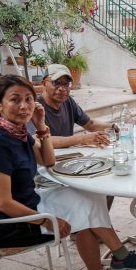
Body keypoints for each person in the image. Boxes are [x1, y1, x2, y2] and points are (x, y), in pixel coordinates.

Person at [0, 75, 136, 270]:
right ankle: (118, 260)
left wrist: (41, 126)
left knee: (88, 196)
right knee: (84, 209)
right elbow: (2, 203)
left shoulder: (17, 131)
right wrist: (46, 220)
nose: (24, 106)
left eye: (28, 99)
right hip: (7, 225)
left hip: (29, 202)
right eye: (15, 100)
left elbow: (48, 160)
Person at [30, 64, 117, 212]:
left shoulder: (68, 102)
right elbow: (37, 140)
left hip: (68, 163)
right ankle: (86, 223)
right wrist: (82, 139)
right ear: (44, 83)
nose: (62, 88)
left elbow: (89, 124)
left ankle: (94, 222)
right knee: (98, 186)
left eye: (66, 84)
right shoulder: (36, 109)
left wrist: (114, 126)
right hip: (45, 171)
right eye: (56, 82)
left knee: (108, 183)